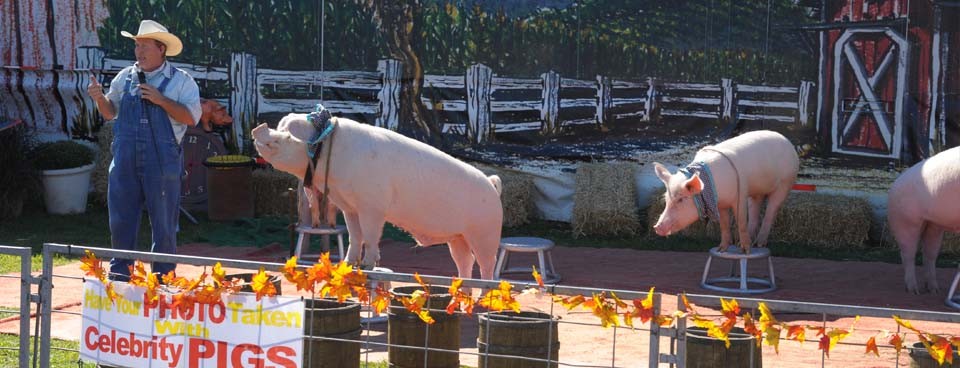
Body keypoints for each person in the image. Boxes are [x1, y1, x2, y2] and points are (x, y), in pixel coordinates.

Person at [87, 20, 201, 281]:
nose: (139, 51)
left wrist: (162, 100)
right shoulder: (124, 76)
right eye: (137, 45)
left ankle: (163, 279)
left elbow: (191, 118)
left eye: (144, 46)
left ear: (161, 48)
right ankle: (120, 276)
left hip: (161, 162)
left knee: (163, 224)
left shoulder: (181, 82)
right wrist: (98, 97)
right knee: (121, 220)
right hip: (125, 159)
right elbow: (109, 113)